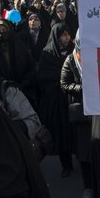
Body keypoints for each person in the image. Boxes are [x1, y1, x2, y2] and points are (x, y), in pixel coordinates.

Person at [60, 30, 93, 198]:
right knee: (84, 154)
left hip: (99, 113)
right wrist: (83, 88)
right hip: (82, 113)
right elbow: (64, 84)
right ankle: (88, 187)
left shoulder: (98, 56)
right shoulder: (71, 60)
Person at [38, 22, 75, 176]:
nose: (66, 38)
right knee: (62, 133)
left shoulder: (74, 51)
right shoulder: (47, 54)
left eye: (68, 34)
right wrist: (63, 77)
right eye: (62, 35)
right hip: (57, 100)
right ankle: (66, 164)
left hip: (74, 97)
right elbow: (42, 77)